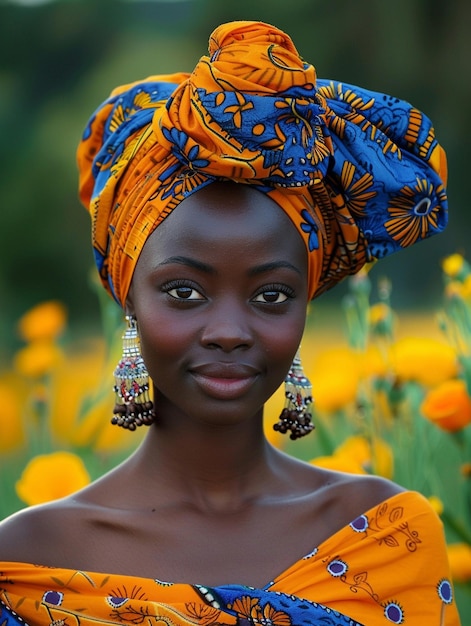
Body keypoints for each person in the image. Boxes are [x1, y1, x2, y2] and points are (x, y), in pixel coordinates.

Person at [0, 20, 461, 626]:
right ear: (126, 298)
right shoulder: (27, 566)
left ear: (306, 304)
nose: (228, 330)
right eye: (185, 291)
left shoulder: (385, 539)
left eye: (271, 295)